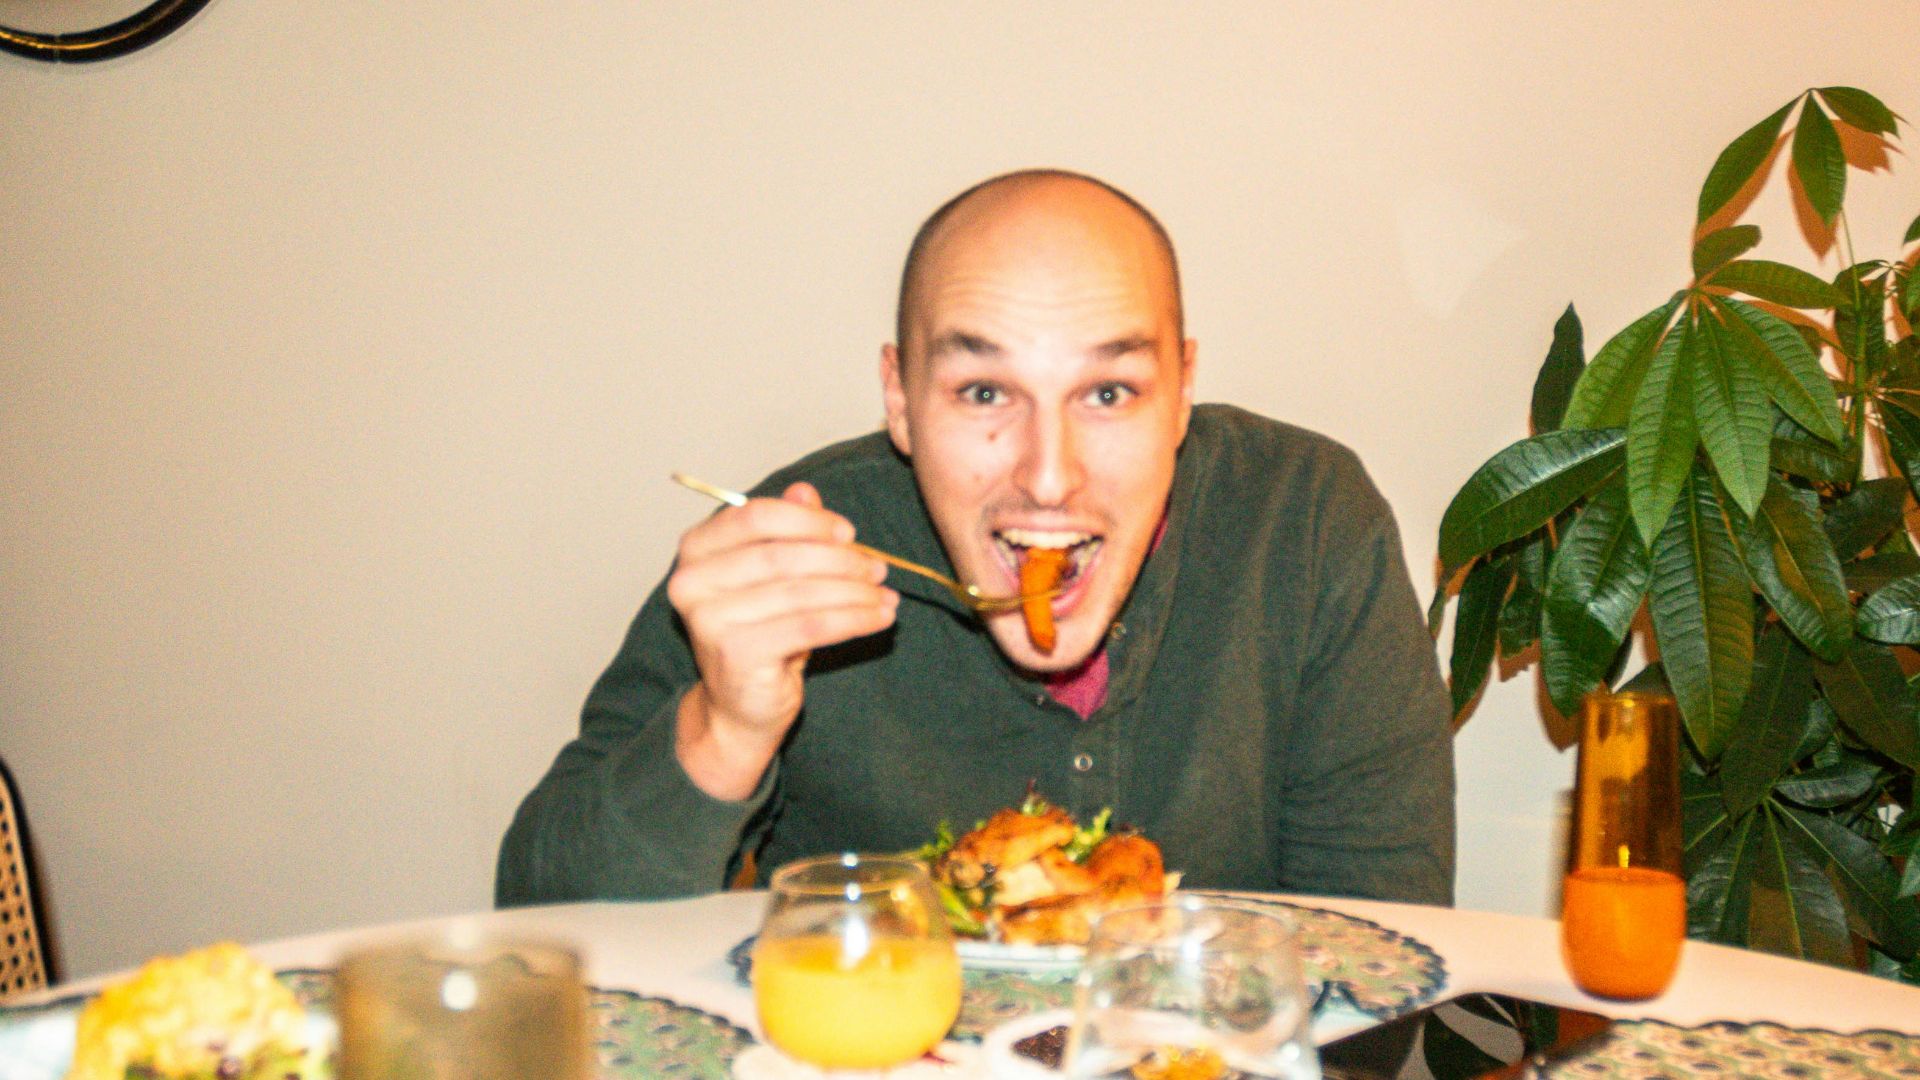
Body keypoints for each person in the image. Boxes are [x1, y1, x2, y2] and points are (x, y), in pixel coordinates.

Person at [496, 170, 1454, 907]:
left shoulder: (1308, 520)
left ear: (1182, 392)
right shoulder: (788, 553)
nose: (1046, 474)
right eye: (984, 393)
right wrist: (725, 726)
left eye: (1109, 392)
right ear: (900, 400)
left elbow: (1378, 951)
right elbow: (545, 925)